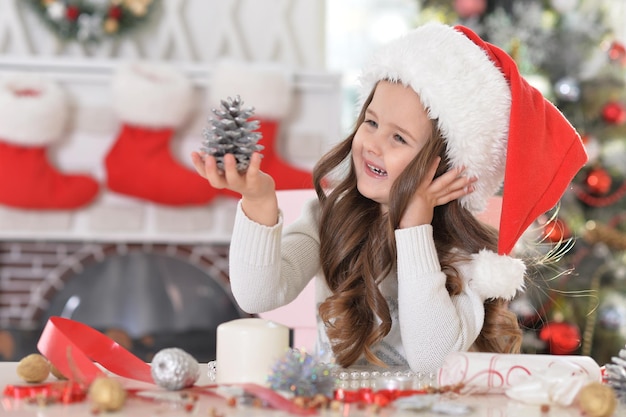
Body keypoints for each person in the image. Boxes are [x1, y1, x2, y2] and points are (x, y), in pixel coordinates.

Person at [191, 22, 587, 373]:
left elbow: (431, 359)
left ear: (448, 166)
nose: (372, 144)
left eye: (398, 137)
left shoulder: (468, 258)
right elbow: (258, 293)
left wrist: (414, 226)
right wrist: (259, 203)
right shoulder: (329, 218)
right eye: (371, 122)